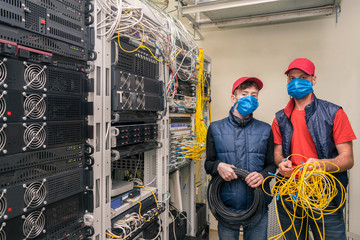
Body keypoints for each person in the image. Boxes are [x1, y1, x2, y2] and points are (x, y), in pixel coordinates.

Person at [271, 58, 356, 240]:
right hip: (290, 195)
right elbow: (277, 154)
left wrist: (321, 165)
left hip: (325, 196)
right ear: (287, 82)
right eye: (292, 78)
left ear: (313, 80)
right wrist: (281, 164)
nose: (296, 82)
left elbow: (348, 159)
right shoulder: (280, 118)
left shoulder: (334, 113)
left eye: (303, 77)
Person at [205, 77, 276, 240]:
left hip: (258, 208)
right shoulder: (215, 128)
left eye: (254, 95)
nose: (250, 98)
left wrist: (263, 175)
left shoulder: (265, 129)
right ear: (233, 97)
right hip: (227, 206)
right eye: (244, 94)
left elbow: (272, 166)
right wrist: (218, 166)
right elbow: (208, 164)